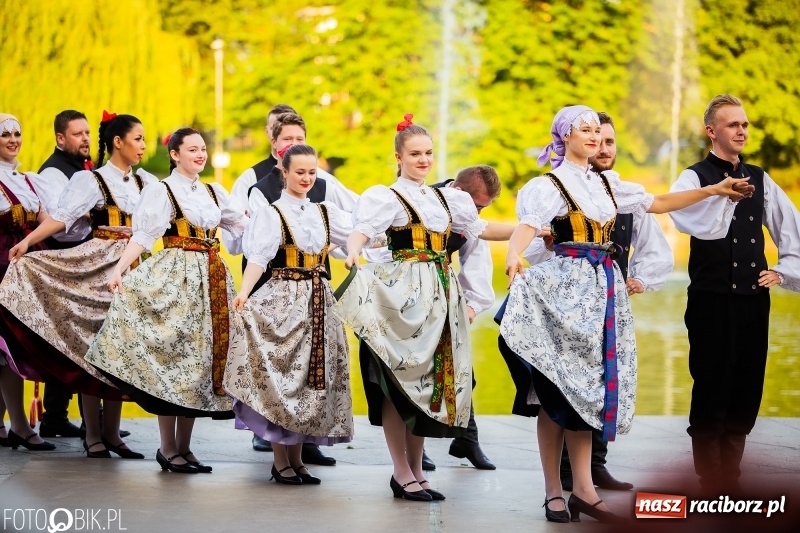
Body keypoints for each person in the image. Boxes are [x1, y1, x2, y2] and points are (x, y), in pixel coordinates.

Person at [498, 105, 746, 523]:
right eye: (585, 130)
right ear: (565, 136)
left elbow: (661, 201)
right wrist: (512, 252)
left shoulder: (610, 185)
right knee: (554, 391)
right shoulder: (549, 185)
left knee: (588, 390)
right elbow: (528, 223)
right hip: (563, 290)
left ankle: (584, 490)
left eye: (598, 130)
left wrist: (714, 190)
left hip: (603, 292)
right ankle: (553, 491)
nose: (595, 137)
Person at [336, 114, 512, 502]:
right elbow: (362, 232)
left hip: (440, 296)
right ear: (398, 157)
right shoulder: (386, 196)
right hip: (404, 297)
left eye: (428, 153)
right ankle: (401, 472)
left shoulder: (447, 199)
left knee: (428, 384)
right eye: (415, 154)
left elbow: (483, 231)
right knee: (400, 382)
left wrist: (533, 230)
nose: (423, 160)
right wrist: (352, 251)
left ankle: (416, 470)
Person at [85, 127, 247, 474]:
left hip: (212, 278)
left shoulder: (214, 191)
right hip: (175, 276)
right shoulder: (162, 190)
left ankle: (185, 448)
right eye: (192, 149)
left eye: (202, 148)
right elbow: (144, 235)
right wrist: (119, 269)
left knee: (198, 362)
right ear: (175, 154)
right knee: (171, 357)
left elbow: (244, 226)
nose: (200, 155)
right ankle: (167, 447)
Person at [2, 112, 155, 460]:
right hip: (99, 265)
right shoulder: (93, 181)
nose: (144, 146)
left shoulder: (145, 183)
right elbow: (62, 218)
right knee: (96, 345)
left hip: (133, 266)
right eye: (138, 139)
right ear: (118, 142)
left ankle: (113, 434)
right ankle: (94, 435)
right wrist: (27, 243)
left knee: (122, 349)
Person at [535, 112, 674, 491]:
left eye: (609, 140)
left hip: (607, 302)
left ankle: (592, 468)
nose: (603, 146)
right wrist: (548, 245)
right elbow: (535, 246)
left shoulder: (619, 195)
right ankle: (564, 476)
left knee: (601, 379)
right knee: (563, 386)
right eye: (596, 137)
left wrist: (640, 278)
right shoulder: (559, 192)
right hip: (563, 307)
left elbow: (655, 246)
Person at [668, 94, 800, 493]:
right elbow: (681, 217)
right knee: (711, 383)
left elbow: (790, 229)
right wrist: (717, 193)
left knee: (747, 384)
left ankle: (732, 477)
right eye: (732, 125)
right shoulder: (693, 178)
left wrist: (781, 270)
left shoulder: (761, 178)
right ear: (712, 131)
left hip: (753, 300)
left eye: (744, 124)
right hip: (710, 300)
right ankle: (710, 478)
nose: (741, 130)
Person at [225, 144, 354, 485]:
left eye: (312, 172)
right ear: (284, 172)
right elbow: (258, 258)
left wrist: (358, 250)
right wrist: (243, 292)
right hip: (284, 298)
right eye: (300, 172)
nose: (307, 178)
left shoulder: (324, 212)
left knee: (311, 379)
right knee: (283, 375)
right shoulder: (272, 212)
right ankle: (280, 459)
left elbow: (356, 238)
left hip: (319, 300)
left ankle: (297, 460)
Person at [420, 165, 505, 471]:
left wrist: (470, 305)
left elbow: (477, 258)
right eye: (477, 206)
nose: (478, 213)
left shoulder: (468, 218)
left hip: (444, 294)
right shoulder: (421, 203)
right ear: (458, 192)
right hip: (411, 295)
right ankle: (415, 447)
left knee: (462, 370)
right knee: (417, 373)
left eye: (483, 208)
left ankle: (467, 439)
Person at [230, 103, 296, 453]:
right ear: (273, 142)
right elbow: (241, 236)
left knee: (304, 361)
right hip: (268, 277)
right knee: (268, 355)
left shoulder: (321, 180)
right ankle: (263, 425)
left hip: (309, 280)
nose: (292, 143)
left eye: (299, 138)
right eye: (285, 136)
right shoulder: (253, 181)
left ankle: (303, 433)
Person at [0, 112, 55, 451]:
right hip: (2, 271)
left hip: (30, 271)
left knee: (16, 348)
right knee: (6, 349)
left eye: (17, 133)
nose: (12, 139)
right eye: (4, 134)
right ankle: (20, 425)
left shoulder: (32, 180)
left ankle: (9, 425)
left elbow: (48, 222)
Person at [229, 103, 296, 216]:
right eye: (275, 128)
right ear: (267, 132)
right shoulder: (249, 179)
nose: (281, 133)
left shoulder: (324, 182)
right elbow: (234, 226)